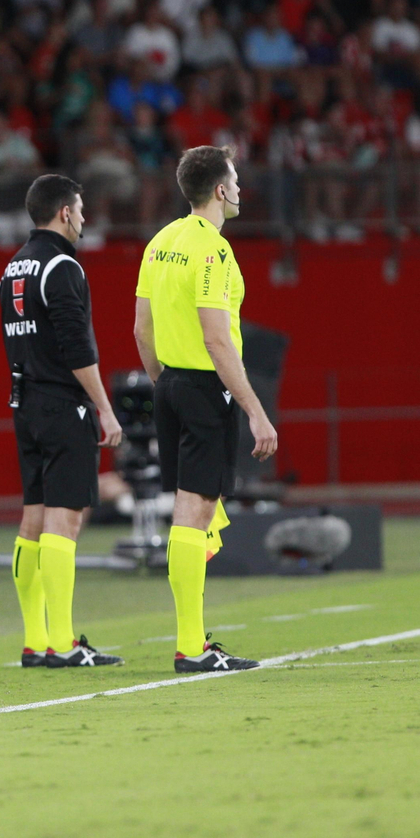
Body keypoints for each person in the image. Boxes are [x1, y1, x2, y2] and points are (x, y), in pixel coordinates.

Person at [133, 145, 277, 672]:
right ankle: (192, 647)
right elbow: (218, 342)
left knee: (186, 512)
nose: (239, 188)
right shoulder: (213, 251)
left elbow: (140, 329)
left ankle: (192, 642)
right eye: (235, 179)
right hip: (201, 387)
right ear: (220, 190)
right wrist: (256, 410)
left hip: (169, 385)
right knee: (195, 513)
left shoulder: (160, 241)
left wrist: (162, 385)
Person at [0, 175, 126, 670]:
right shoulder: (61, 266)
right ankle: (62, 641)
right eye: (80, 209)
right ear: (64, 213)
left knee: (33, 515)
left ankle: (35, 640)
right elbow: (77, 347)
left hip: (24, 402)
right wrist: (104, 407)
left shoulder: (13, 268)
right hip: (60, 404)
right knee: (65, 518)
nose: (85, 218)